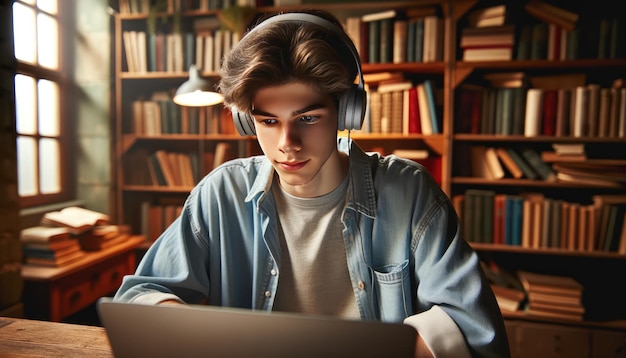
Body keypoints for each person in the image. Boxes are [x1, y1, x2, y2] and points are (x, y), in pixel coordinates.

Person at [114, 9, 510, 358]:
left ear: (347, 111)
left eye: (307, 118)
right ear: (246, 120)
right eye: (268, 121)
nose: (286, 144)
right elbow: (138, 297)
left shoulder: (408, 191)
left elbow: (475, 330)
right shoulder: (220, 194)